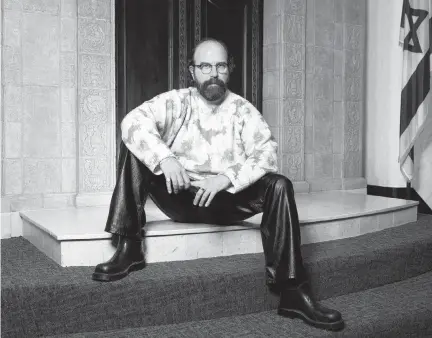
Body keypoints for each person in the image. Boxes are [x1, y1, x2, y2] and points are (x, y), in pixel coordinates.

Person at [92, 38, 344, 331]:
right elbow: (132, 122)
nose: (213, 73)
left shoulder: (243, 110)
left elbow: (267, 153)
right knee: (135, 147)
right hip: (181, 196)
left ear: (229, 69)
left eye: (221, 65)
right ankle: (129, 246)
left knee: (279, 185)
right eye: (205, 66)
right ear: (192, 71)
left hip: (225, 201)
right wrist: (165, 159)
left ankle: (291, 290)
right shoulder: (177, 101)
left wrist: (226, 178)